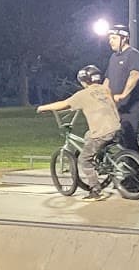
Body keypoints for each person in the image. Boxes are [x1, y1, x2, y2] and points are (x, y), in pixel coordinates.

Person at [35, 66, 120, 201]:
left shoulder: (83, 95)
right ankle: (102, 158)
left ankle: (95, 190)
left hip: (102, 132)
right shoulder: (105, 89)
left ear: (84, 80)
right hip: (116, 128)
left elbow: (64, 104)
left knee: (84, 159)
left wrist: (43, 108)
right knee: (88, 136)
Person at [105, 23, 139, 156]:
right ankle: (123, 169)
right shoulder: (113, 58)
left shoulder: (133, 54)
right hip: (115, 106)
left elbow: (135, 75)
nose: (110, 41)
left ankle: (137, 174)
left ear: (124, 38)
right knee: (115, 138)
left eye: (114, 38)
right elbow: (107, 80)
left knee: (129, 138)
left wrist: (123, 95)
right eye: (110, 38)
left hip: (131, 106)